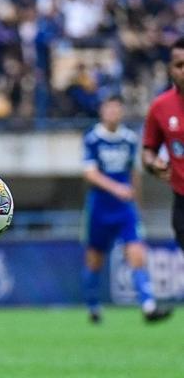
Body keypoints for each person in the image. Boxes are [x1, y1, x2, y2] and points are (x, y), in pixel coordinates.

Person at [81, 95, 171, 323]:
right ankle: (93, 306)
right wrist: (116, 188)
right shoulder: (93, 138)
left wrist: (137, 203)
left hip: (124, 209)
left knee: (137, 255)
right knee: (94, 261)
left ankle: (149, 307)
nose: (113, 113)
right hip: (100, 208)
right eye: (109, 108)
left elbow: (134, 174)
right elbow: (90, 174)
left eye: (117, 109)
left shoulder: (130, 139)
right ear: (102, 111)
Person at [143, 37, 184, 253]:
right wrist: (153, 164)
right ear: (170, 69)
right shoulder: (160, 107)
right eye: (179, 65)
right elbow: (148, 150)